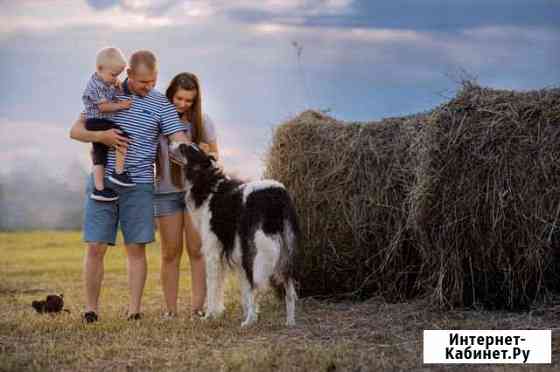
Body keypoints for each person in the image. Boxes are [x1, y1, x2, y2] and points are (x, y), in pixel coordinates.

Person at [69, 50, 191, 323]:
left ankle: (134, 311)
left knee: (136, 247)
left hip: (139, 184)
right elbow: (75, 130)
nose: (149, 87)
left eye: (153, 81)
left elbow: (178, 137)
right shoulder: (108, 93)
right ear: (129, 75)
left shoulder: (161, 104)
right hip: (104, 182)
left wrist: (197, 153)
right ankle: (91, 309)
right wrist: (101, 135)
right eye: (142, 82)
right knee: (95, 246)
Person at [154, 72, 219, 318]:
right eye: (178, 98)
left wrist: (205, 150)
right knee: (170, 252)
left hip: (196, 196)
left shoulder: (203, 122)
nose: (183, 104)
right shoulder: (157, 121)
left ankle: (197, 309)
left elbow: (215, 155)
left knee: (197, 250)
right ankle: (170, 311)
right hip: (164, 193)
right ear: (170, 95)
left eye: (189, 100)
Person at [82, 47, 134, 202]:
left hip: (96, 122)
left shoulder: (105, 81)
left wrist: (117, 88)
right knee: (122, 138)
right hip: (97, 121)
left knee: (99, 155)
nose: (115, 78)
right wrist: (122, 106)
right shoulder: (96, 85)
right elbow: (104, 107)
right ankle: (119, 172)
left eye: (118, 75)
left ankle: (99, 189)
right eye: (113, 75)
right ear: (99, 68)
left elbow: (112, 95)